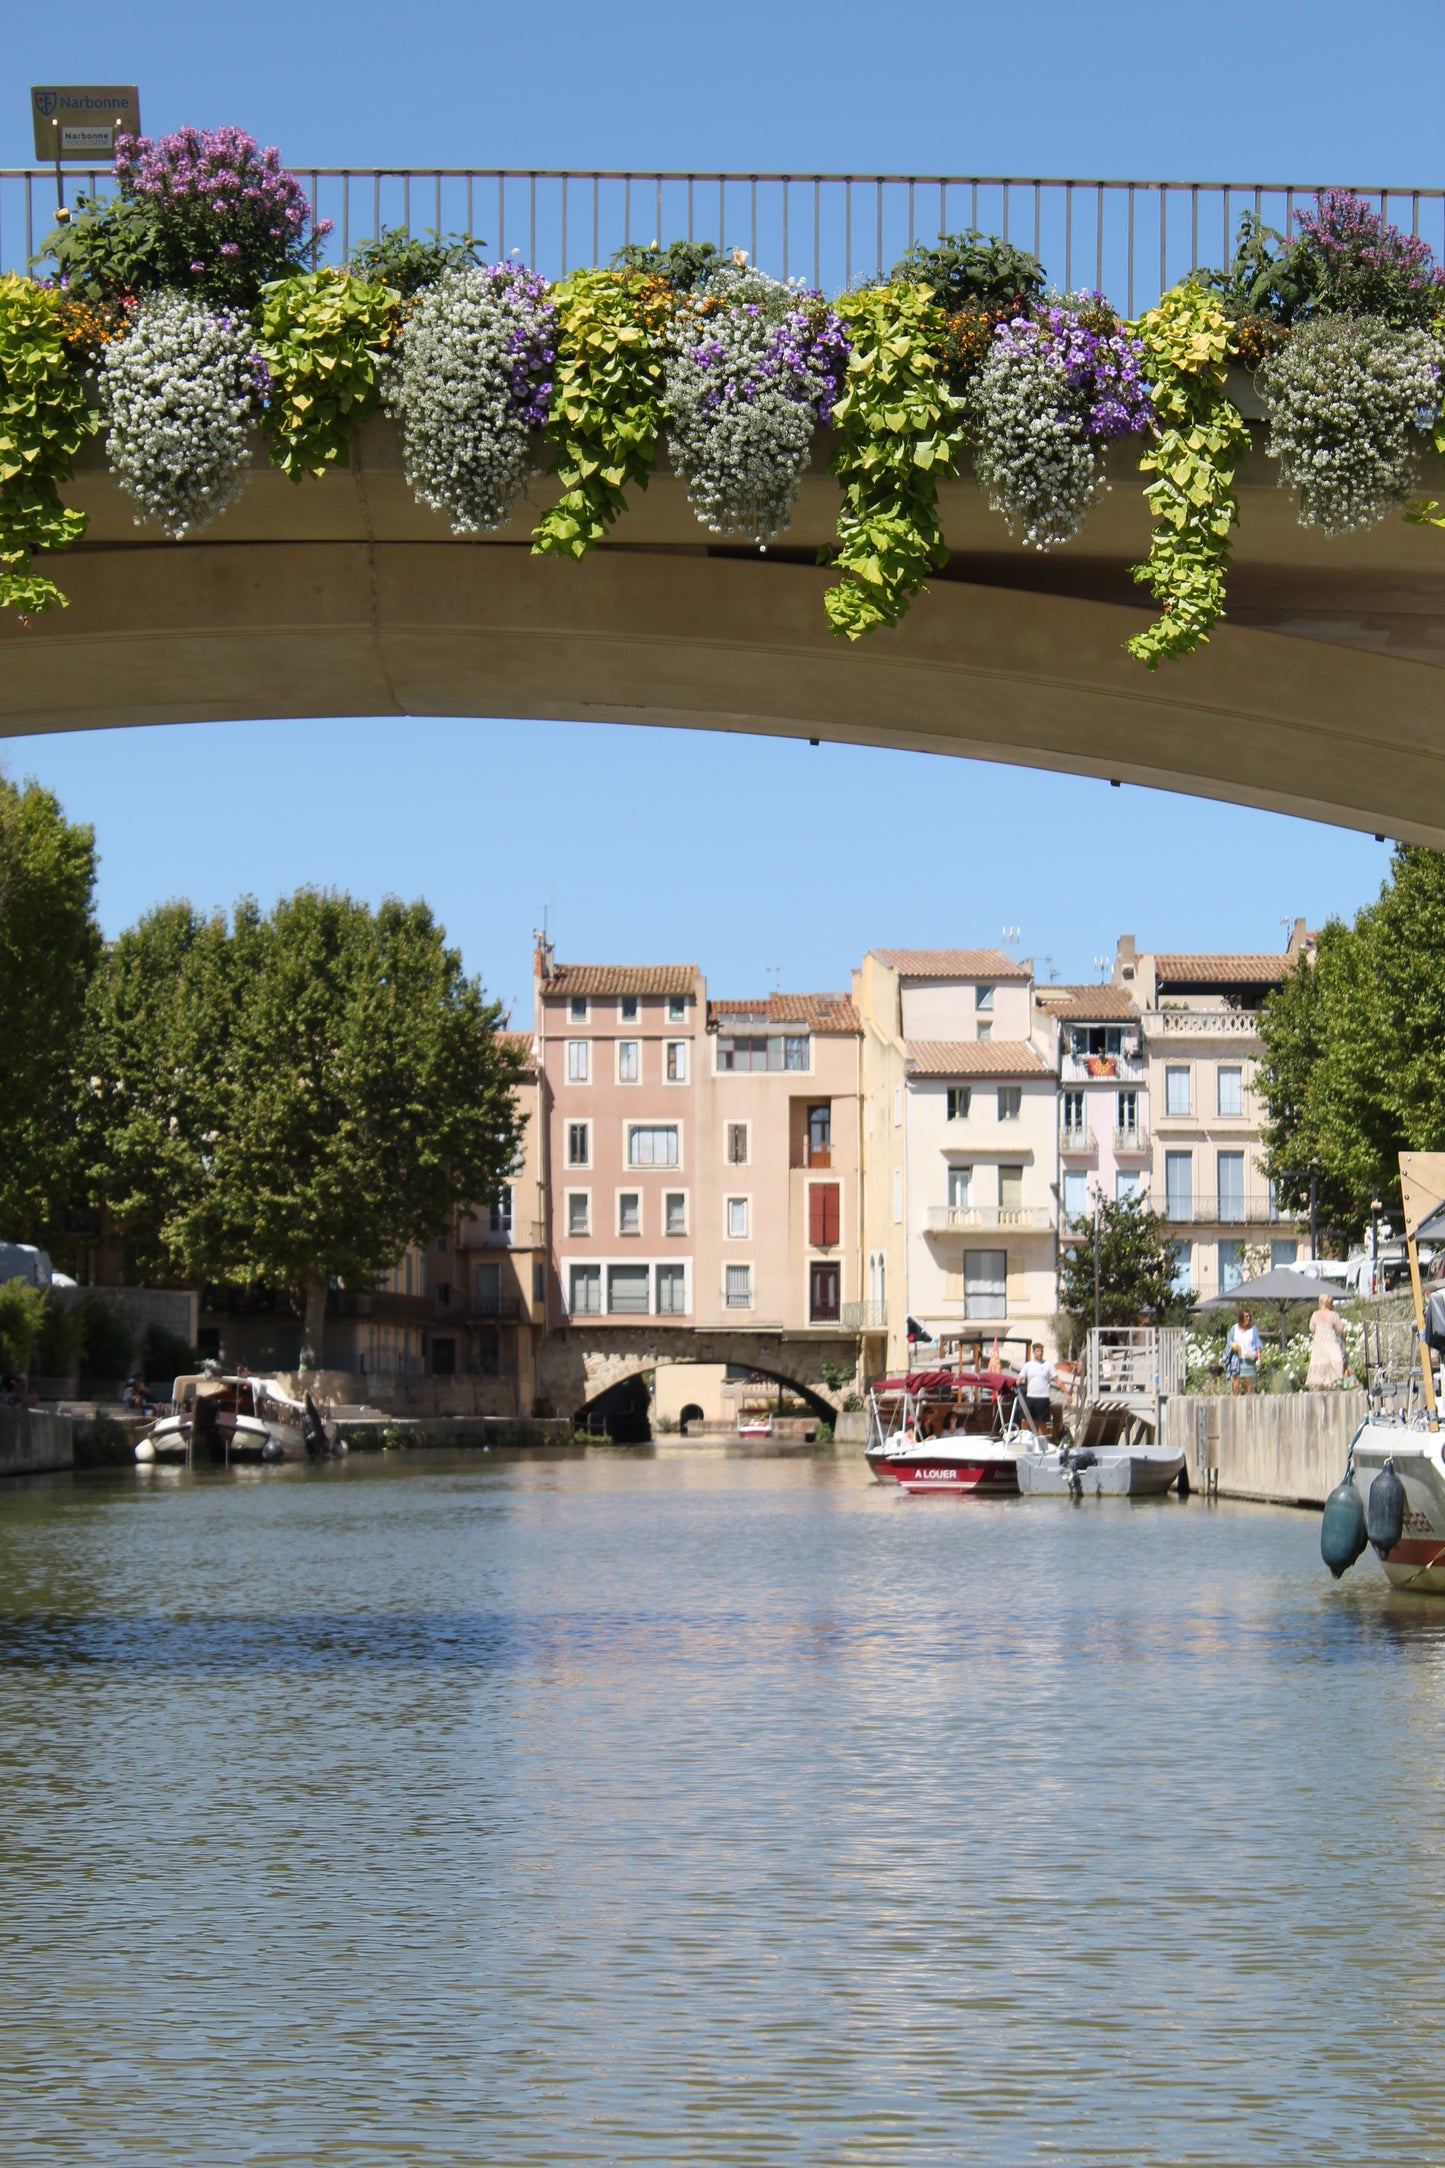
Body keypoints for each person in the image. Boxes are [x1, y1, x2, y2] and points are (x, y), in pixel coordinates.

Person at [1307, 1293, 1345, 1389]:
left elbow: (1311, 1328)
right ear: (1329, 1303)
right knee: (1333, 1361)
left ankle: (1321, 1385)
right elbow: (1340, 1328)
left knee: (1320, 1362)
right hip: (1330, 1341)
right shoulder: (1333, 1315)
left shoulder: (1314, 1315)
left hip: (1319, 1342)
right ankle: (1330, 1384)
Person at [1020, 1343, 1055, 1430]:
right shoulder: (1028, 1365)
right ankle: (1025, 1437)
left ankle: (1039, 1441)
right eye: (1038, 1351)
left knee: (1041, 1423)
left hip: (1043, 1398)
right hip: (1030, 1397)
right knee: (1024, 1420)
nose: (1040, 1353)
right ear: (1034, 1352)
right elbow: (1019, 1379)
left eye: (1041, 1351)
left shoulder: (1048, 1365)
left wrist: (1066, 1393)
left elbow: (1057, 1379)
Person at [1228, 1308, 1263, 1395]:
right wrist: (1233, 1346)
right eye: (1246, 1316)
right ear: (1241, 1318)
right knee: (1237, 1379)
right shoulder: (1234, 1328)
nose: (1248, 1318)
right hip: (1237, 1358)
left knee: (1249, 1380)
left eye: (1249, 1316)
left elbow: (1257, 1343)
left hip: (1249, 1358)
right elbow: (1229, 1341)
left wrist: (1259, 1357)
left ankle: (1249, 1400)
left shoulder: (1253, 1329)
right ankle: (1235, 1400)